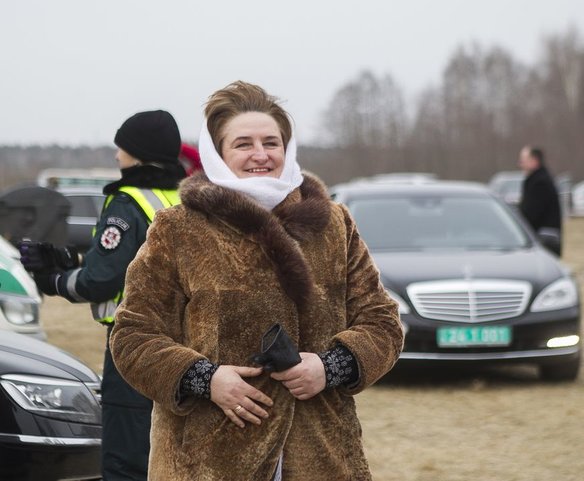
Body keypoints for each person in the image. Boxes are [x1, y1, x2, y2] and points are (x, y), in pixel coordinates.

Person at [109, 81, 404, 481]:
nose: (260, 155)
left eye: (272, 142)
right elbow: (132, 335)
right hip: (206, 459)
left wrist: (331, 366)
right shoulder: (178, 228)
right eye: (243, 144)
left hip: (321, 453)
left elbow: (383, 322)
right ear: (217, 152)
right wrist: (205, 379)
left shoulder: (334, 224)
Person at [19, 110, 186, 481]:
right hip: (185, 345)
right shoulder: (183, 197)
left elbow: (101, 281)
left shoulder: (127, 202)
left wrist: (54, 280)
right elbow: (136, 262)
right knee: (169, 455)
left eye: (122, 146)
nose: (116, 154)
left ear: (138, 153)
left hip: (133, 345)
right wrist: (72, 259)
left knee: (126, 458)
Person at [518, 145, 562, 256]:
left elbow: (530, 214)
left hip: (544, 241)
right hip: (546, 240)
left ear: (534, 161)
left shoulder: (539, 183)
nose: (520, 165)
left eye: (523, 161)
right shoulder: (539, 179)